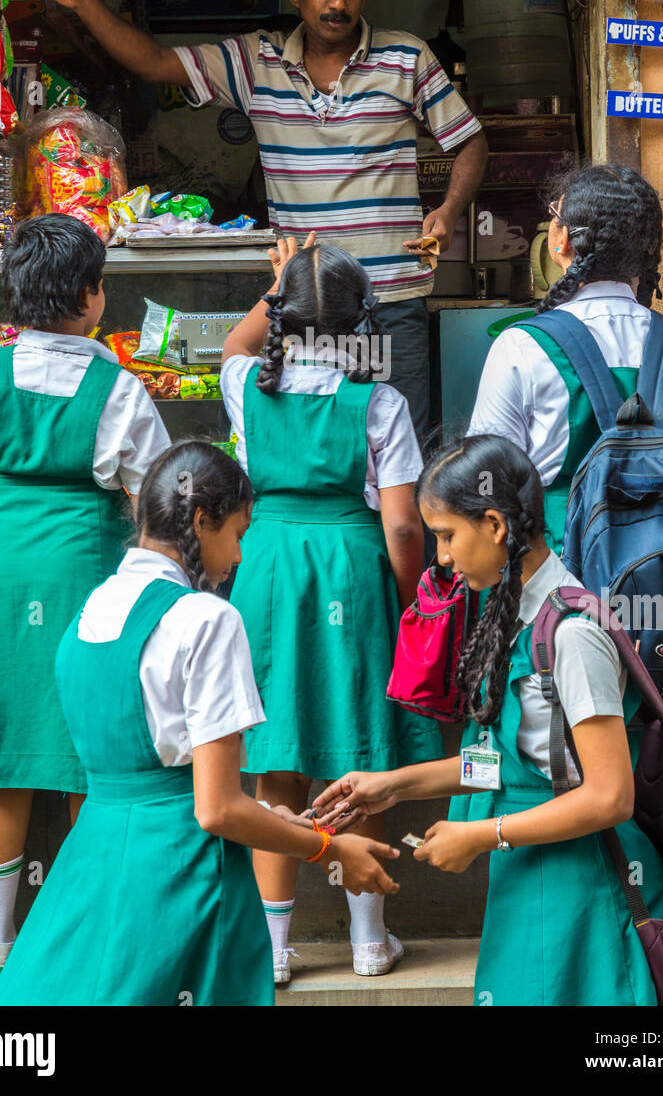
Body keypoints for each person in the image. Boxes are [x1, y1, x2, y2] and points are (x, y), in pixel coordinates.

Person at [16, 0, 489, 440]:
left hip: (393, 301)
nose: (338, 2)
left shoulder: (406, 58)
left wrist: (447, 210)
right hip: (304, 302)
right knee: (315, 450)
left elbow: (470, 141)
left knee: (402, 454)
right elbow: (153, 63)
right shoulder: (253, 62)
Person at [0, 442, 400, 1007]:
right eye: (237, 533)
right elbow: (215, 808)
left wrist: (273, 817)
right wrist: (328, 847)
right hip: (182, 873)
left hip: (89, 865)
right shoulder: (207, 619)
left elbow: (174, 776)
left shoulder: (90, 609)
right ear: (202, 520)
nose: (238, 556)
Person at [313, 435, 663, 1008]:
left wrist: (484, 834)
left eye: (448, 535)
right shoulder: (520, 618)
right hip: (528, 878)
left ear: (497, 525)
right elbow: (512, 766)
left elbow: (609, 797)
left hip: (579, 889)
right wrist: (393, 786)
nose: (443, 557)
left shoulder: (573, 637)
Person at [0, 215, 170, 982]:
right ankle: (75, 930)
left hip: (2, 588)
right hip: (84, 586)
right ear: (93, 298)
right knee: (80, 755)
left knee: (5, 755)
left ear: (12, 298)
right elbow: (151, 494)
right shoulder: (118, 390)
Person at [467, 162, 663, 767]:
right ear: (647, 253)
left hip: (558, 604)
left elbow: (480, 498)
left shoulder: (521, 346)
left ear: (563, 240)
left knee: (561, 778)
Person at [220, 232, 442, 984]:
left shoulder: (247, 383)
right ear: (361, 322)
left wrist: (279, 284)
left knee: (276, 759)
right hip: (351, 567)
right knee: (360, 753)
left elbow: (234, 341)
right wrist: (416, 599)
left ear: (283, 314)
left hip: (269, 568)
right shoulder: (378, 402)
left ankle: (275, 950)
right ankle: (369, 941)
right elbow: (405, 524)